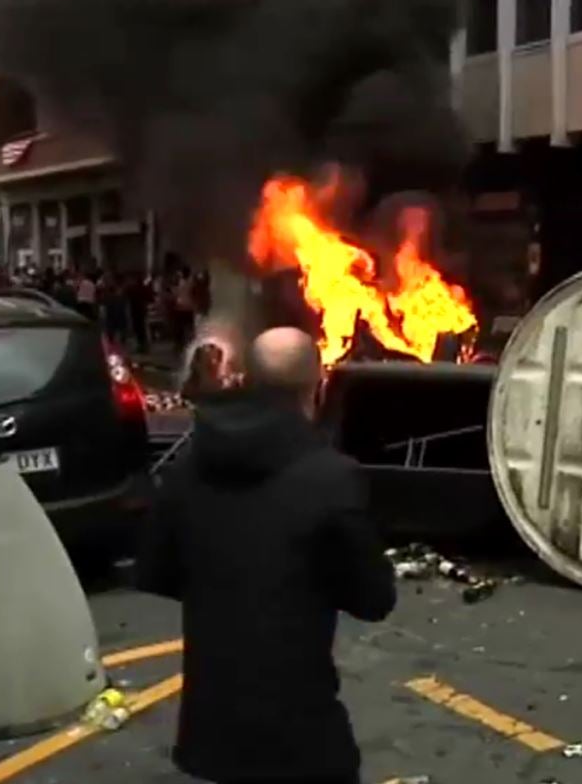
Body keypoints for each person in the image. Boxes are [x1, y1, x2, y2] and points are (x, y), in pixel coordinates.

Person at [135, 327, 397, 784]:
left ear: (245, 379)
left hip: (211, 730)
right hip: (303, 735)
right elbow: (374, 599)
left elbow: (157, 572)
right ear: (317, 386)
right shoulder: (333, 479)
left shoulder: (187, 466)